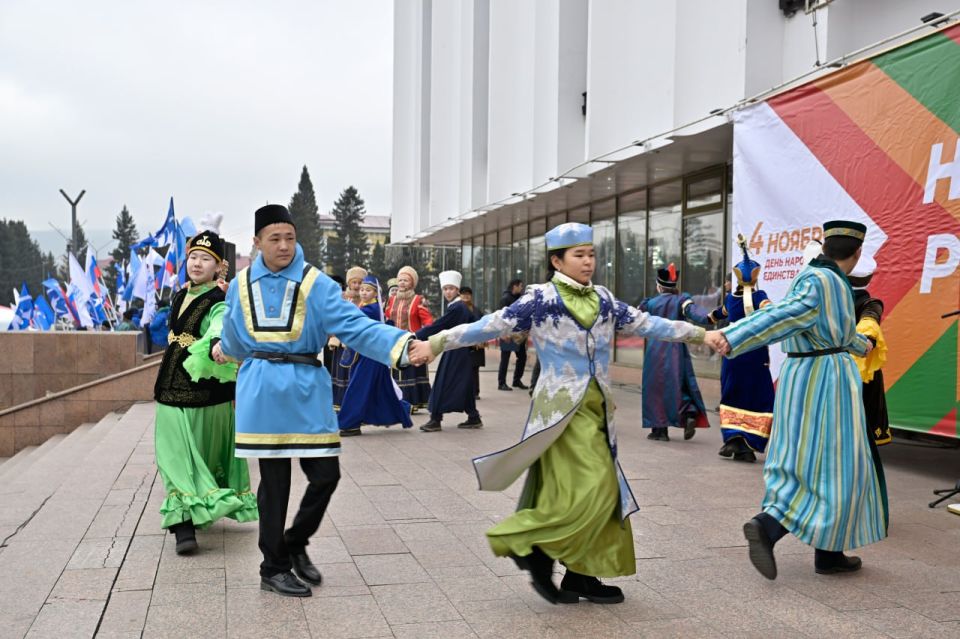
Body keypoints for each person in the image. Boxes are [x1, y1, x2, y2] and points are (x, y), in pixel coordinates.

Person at [409, 223, 727, 605]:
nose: (588, 261)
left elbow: (650, 324)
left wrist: (701, 334)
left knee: (603, 493)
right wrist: (437, 343)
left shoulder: (605, 299)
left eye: (591, 254)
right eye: (579, 255)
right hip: (559, 412)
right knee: (592, 486)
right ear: (557, 260)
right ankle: (531, 546)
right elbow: (488, 325)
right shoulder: (539, 300)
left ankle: (580, 576)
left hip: (597, 413)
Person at [220, 204, 427, 598]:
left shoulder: (316, 283)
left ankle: (295, 540)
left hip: (305, 386)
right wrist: (223, 348)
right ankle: (273, 566)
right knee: (274, 483)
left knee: (326, 475)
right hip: (262, 387)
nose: (283, 246)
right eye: (274, 238)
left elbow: (355, 326)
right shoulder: (240, 284)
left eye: (290, 238)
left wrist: (402, 343)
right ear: (257, 242)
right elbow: (233, 336)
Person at [717, 220, 885, 580]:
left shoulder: (820, 278)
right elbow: (786, 315)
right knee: (835, 462)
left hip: (808, 372)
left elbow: (832, 329)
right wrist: (732, 336)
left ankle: (829, 551)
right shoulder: (822, 281)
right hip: (825, 379)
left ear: (826, 248)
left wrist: (862, 344)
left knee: (813, 459)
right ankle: (770, 525)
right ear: (856, 254)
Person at [153, 227, 257, 555]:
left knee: (203, 455)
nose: (196, 264)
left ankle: (199, 508)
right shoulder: (180, 295)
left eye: (205, 259)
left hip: (204, 391)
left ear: (218, 267)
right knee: (174, 455)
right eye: (193, 257)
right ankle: (182, 524)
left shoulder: (218, 299)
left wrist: (216, 342)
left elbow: (219, 323)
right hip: (169, 388)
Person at [708, 235, 775, 462]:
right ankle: (748, 442)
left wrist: (696, 316)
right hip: (755, 355)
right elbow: (771, 312)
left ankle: (733, 438)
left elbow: (715, 316)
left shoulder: (730, 299)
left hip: (732, 354)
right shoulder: (760, 296)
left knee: (732, 393)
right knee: (758, 395)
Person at [640, 264, 712, 441]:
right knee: (679, 382)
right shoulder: (682, 300)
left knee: (654, 388)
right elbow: (699, 316)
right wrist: (716, 315)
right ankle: (689, 413)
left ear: (658, 286)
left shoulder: (650, 303)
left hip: (654, 350)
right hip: (676, 347)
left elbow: (635, 319)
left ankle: (659, 430)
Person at [338, 276, 414, 436]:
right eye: (362, 290)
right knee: (379, 388)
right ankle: (402, 410)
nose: (364, 292)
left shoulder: (369, 310)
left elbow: (350, 321)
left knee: (358, 387)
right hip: (369, 354)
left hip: (370, 356)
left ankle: (349, 423)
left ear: (375, 293)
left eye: (368, 290)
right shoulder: (368, 307)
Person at [849, 255, 891, 528]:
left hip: (842, 378)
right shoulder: (870, 303)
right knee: (861, 444)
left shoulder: (859, 303)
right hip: (860, 382)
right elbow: (869, 330)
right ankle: (863, 505)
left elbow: (869, 328)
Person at [417, 271, 482, 432]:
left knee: (442, 383)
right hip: (459, 350)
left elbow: (440, 325)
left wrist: (417, 334)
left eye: (451, 289)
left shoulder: (457, 307)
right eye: (445, 289)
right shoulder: (461, 307)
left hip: (455, 351)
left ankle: (435, 419)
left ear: (457, 290)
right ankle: (473, 417)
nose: (447, 292)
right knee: (465, 384)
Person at [384, 266, 433, 410]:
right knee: (396, 371)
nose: (402, 283)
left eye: (406, 280)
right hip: (393, 341)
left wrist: (422, 337)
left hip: (411, 341)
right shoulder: (391, 299)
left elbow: (428, 321)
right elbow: (386, 317)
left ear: (412, 283)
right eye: (400, 280)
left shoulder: (419, 299)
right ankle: (397, 402)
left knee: (409, 372)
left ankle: (412, 402)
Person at [331, 266, 367, 410]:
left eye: (360, 283)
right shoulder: (342, 298)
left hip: (358, 342)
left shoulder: (366, 300)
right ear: (349, 283)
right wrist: (334, 335)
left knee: (354, 372)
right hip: (341, 340)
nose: (357, 286)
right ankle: (340, 401)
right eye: (354, 282)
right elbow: (334, 317)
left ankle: (355, 402)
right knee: (341, 371)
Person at [497, 278, 528, 391]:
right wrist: (503, 333)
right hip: (508, 334)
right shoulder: (505, 299)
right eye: (520, 286)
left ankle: (516, 380)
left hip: (519, 334)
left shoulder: (520, 298)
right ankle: (501, 383)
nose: (522, 288)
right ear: (514, 286)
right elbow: (501, 317)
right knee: (505, 358)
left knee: (522, 357)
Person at [460, 286, 485, 399]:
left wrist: (481, 340)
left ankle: (475, 392)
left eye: (468, 294)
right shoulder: (458, 309)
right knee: (462, 369)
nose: (466, 296)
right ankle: (463, 391)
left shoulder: (477, 310)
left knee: (474, 369)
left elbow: (482, 326)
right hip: (462, 343)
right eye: (463, 294)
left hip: (476, 344)